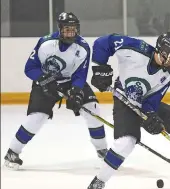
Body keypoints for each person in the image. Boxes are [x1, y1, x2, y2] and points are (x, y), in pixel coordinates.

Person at [86, 32, 170, 189]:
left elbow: (153, 99)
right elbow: (103, 41)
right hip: (124, 101)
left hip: (144, 102)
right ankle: (99, 182)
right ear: (162, 52)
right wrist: (100, 68)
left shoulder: (168, 74)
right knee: (126, 142)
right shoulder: (135, 49)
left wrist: (151, 115)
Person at [3, 12, 108, 170]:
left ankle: (103, 151)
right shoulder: (45, 43)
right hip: (44, 82)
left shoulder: (83, 48)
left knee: (93, 109)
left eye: (73, 29)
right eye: (67, 29)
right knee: (37, 118)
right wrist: (45, 80)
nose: (71, 32)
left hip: (69, 81)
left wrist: (76, 92)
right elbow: (30, 68)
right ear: (59, 29)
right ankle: (13, 152)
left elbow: (80, 75)